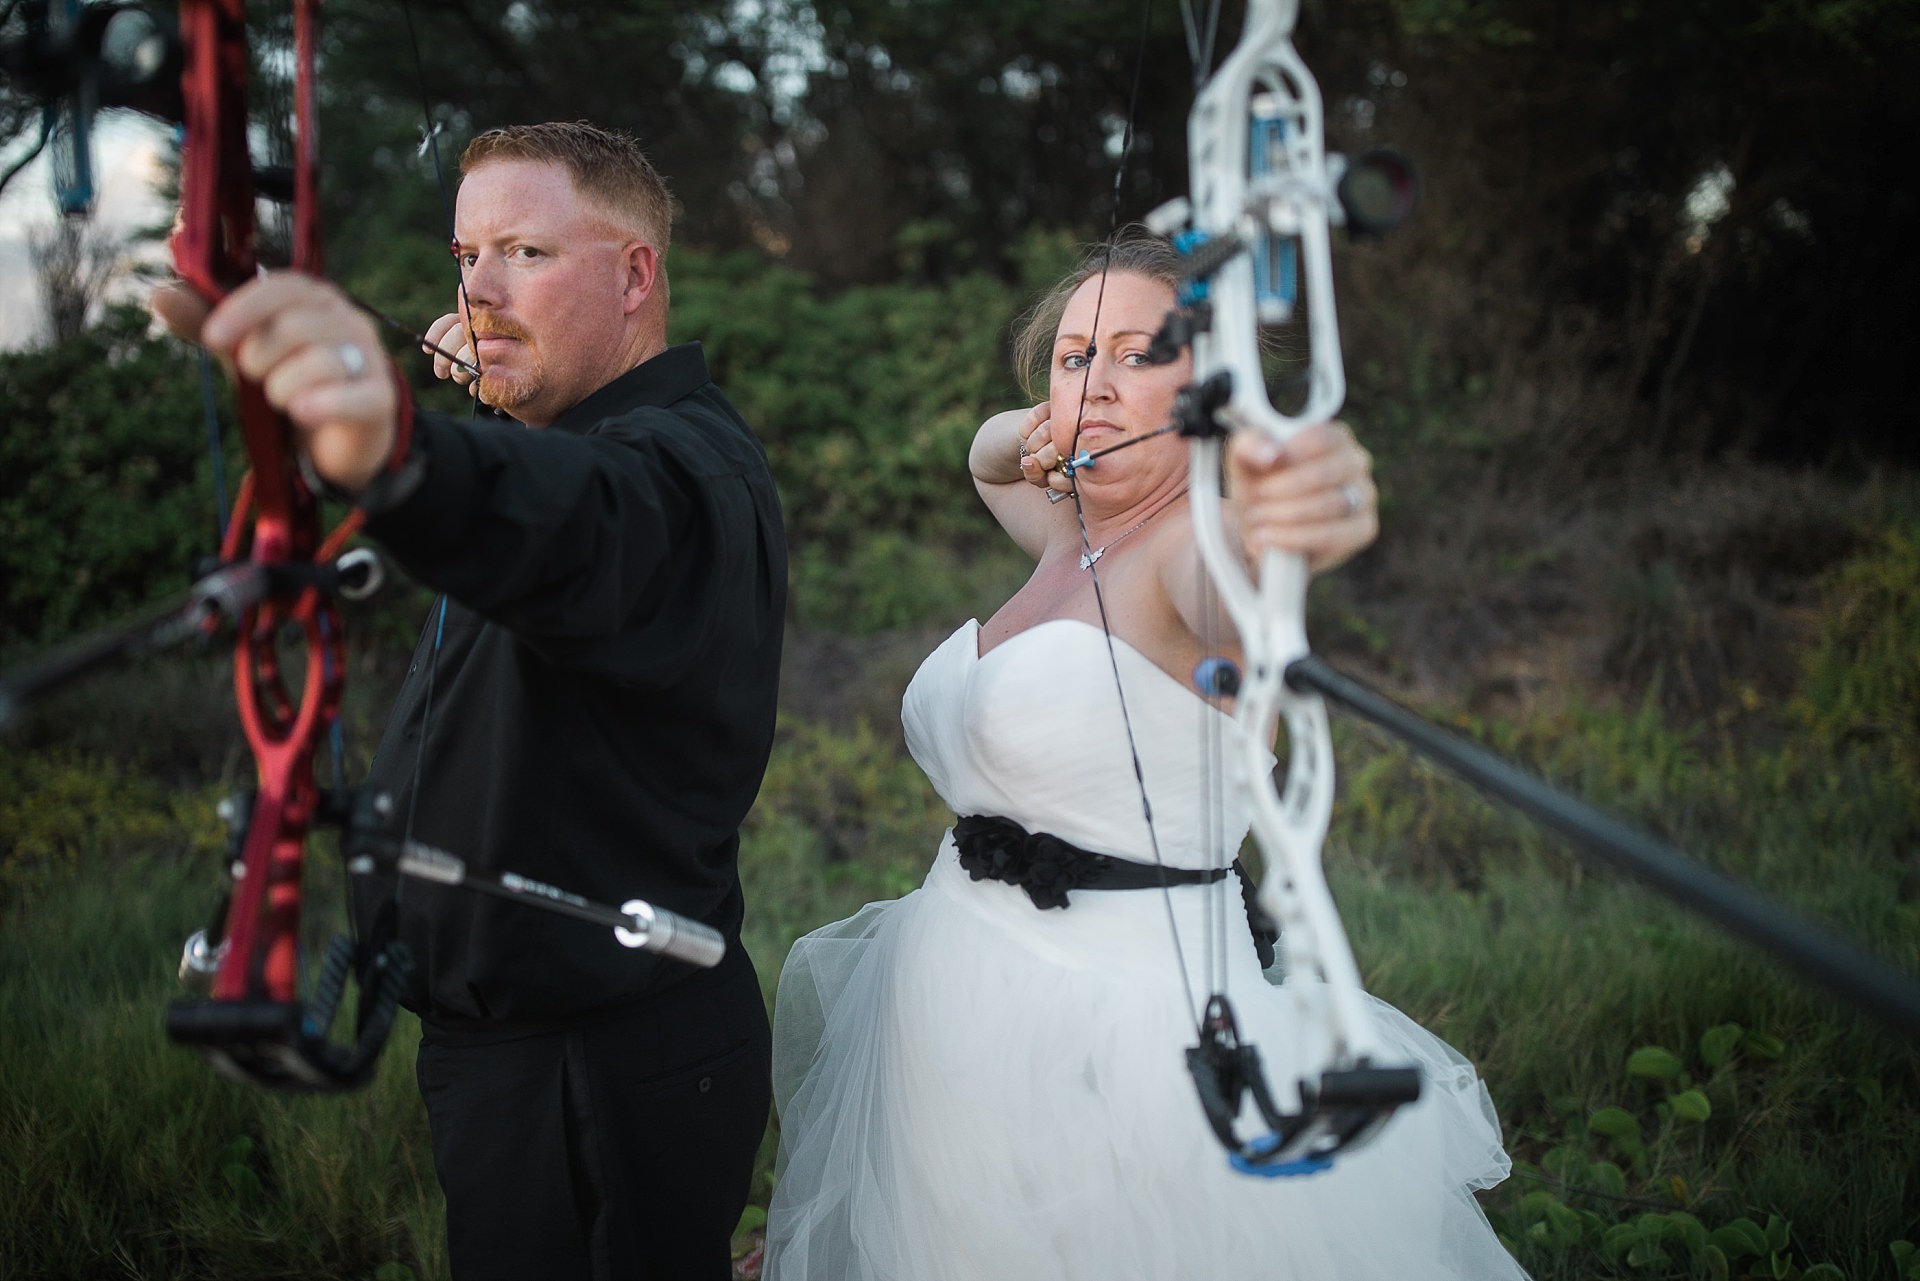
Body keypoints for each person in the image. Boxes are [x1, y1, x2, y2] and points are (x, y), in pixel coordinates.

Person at [762, 235, 1527, 1279]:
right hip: (951, 997)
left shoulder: (1188, 545)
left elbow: (1257, 568)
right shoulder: (1070, 529)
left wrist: (1315, 505)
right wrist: (1034, 427)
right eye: (1076, 357)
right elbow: (986, 459)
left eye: (1140, 352)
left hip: (1120, 1044)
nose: (1101, 384)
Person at [155, 122, 786, 1280]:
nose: (479, 291)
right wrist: (500, 421)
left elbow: (574, 518)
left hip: (596, 1070)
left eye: (525, 254)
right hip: (524, 1063)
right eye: (465, 256)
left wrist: (393, 447)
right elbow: (541, 507)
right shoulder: (563, 441)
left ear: (635, 274)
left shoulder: (678, 471)